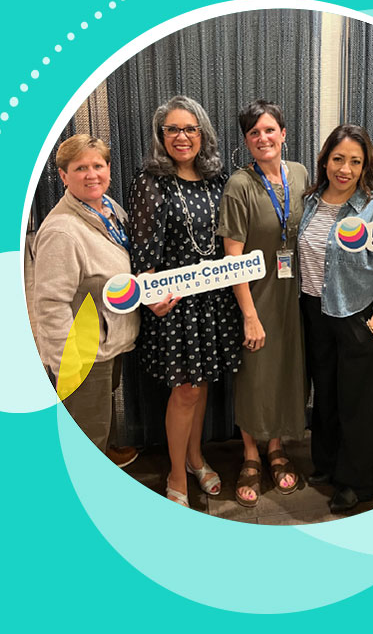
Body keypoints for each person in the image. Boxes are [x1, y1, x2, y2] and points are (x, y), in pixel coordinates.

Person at [126, 96, 243, 508]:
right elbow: (142, 251)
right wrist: (149, 296)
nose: (182, 137)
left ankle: (195, 458)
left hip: (213, 300)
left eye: (190, 129)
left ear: (202, 134)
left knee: (202, 383)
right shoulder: (150, 181)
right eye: (172, 129)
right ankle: (176, 473)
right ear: (161, 136)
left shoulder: (216, 178)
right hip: (175, 306)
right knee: (186, 391)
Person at [298, 124, 373, 512]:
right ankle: (327, 463)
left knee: (356, 403)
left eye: (355, 162)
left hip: (357, 316)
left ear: (365, 167)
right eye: (338, 159)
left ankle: (357, 483)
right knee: (326, 394)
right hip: (315, 311)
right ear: (325, 160)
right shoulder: (311, 201)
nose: (345, 169)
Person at [217, 99, 308, 507]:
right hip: (256, 297)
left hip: (295, 295)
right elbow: (232, 258)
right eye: (254, 132)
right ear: (246, 141)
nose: (263, 137)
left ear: (283, 134)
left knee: (286, 371)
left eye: (270, 129)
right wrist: (249, 316)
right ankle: (251, 454)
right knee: (255, 376)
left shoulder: (301, 174)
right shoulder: (239, 185)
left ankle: (276, 447)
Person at [33, 134, 141, 469]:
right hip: (82, 351)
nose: (92, 174)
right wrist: (69, 364)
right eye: (80, 168)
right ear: (63, 176)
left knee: (101, 407)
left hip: (109, 336)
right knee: (85, 425)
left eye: (98, 165)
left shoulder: (109, 208)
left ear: (109, 169)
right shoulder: (62, 230)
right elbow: (50, 304)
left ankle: (104, 450)